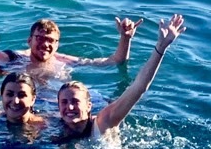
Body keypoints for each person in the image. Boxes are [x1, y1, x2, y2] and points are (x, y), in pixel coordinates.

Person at [56, 13, 185, 142]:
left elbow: (138, 87)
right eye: (64, 102)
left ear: (89, 106)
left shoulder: (104, 121)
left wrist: (161, 47)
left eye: (75, 101)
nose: (70, 107)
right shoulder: (56, 125)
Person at [17, 16, 143, 80]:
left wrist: (125, 38)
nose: (45, 44)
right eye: (40, 38)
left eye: (50, 40)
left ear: (57, 45)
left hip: (57, 106)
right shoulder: (15, 60)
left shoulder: (63, 62)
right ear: (29, 41)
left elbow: (115, 61)